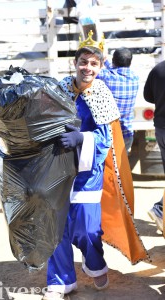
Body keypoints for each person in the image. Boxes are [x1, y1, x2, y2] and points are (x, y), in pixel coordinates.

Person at [42, 39, 149, 300]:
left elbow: (106, 142)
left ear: (100, 67)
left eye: (93, 63)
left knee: (87, 228)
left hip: (87, 174)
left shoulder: (102, 94)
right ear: (75, 64)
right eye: (83, 62)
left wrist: (82, 139)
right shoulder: (60, 89)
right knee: (56, 228)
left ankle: (94, 263)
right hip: (58, 170)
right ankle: (60, 281)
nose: (87, 67)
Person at [96, 47, 139, 153]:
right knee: (121, 167)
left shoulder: (105, 76)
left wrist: (101, 60)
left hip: (109, 135)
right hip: (127, 135)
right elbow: (115, 71)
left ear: (113, 61)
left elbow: (90, 72)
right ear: (130, 62)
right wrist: (105, 61)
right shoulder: (135, 77)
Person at [143, 60, 165, 233]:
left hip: (161, 128)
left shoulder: (158, 68)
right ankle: (160, 209)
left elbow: (148, 96)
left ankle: (160, 209)